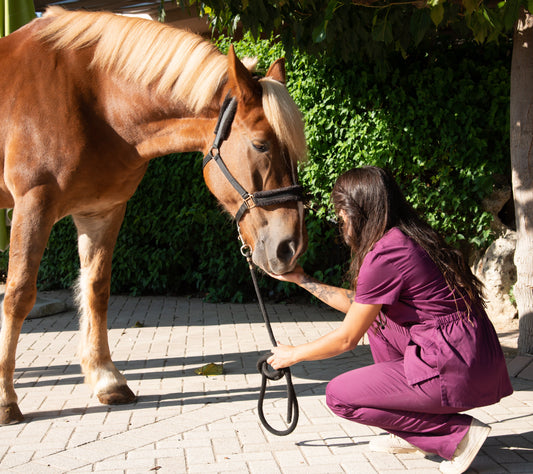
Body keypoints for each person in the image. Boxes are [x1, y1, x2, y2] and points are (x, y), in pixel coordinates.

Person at [267, 166, 513, 474]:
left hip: (455, 366)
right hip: (471, 355)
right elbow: (361, 308)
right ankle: (415, 435)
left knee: (340, 396)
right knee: (377, 321)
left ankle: (457, 437)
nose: (341, 221)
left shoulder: (385, 254)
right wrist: (303, 280)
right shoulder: (407, 236)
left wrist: (293, 354)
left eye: (341, 213)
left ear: (357, 211)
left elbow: (347, 339)